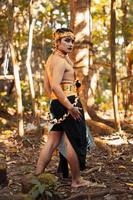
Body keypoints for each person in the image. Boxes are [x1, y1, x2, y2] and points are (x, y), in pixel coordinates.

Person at [35, 28, 89, 188]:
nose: (71, 44)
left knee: (52, 140)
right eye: (66, 40)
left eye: (72, 41)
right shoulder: (59, 61)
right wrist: (70, 106)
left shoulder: (53, 59)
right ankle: (77, 180)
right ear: (57, 42)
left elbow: (48, 88)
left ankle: (37, 175)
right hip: (67, 103)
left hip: (57, 103)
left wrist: (71, 88)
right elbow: (55, 86)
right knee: (73, 141)